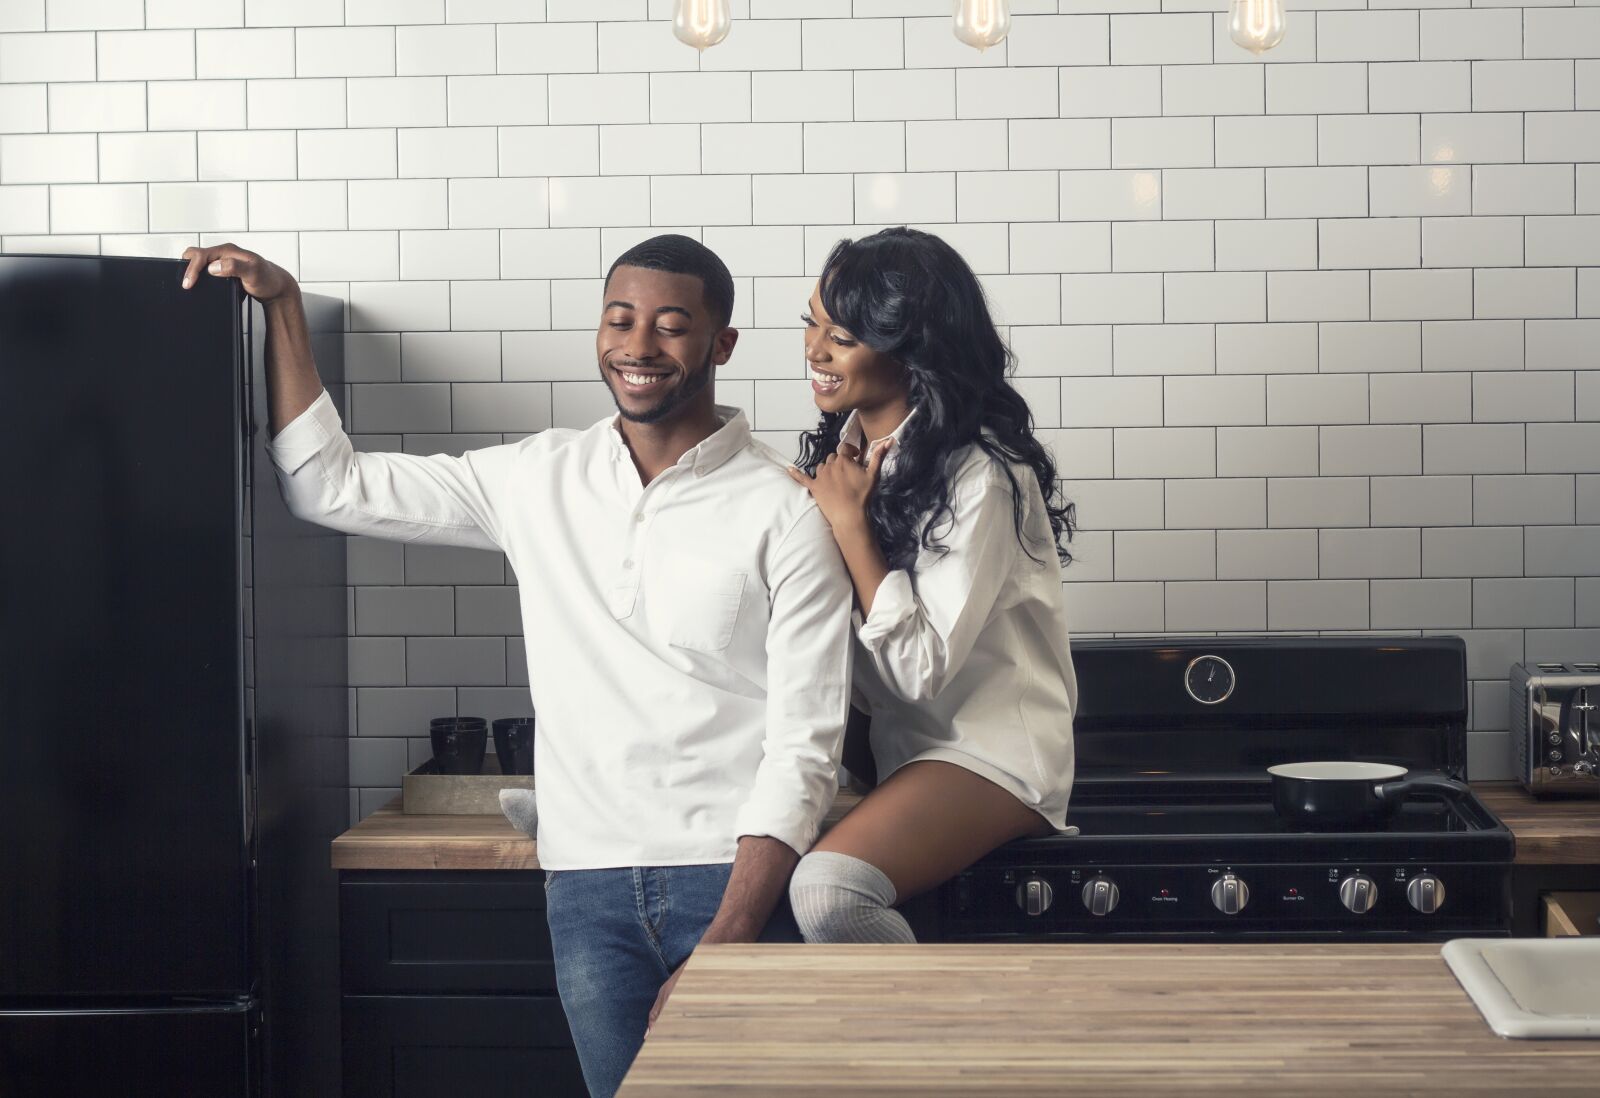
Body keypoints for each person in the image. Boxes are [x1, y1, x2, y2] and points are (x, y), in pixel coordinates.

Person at [181, 235, 852, 1098]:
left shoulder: (786, 510)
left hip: (733, 879)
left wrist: (732, 932)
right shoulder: (539, 477)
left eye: (672, 326)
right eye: (620, 320)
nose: (639, 346)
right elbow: (328, 487)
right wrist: (283, 308)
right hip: (584, 887)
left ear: (720, 345)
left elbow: (805, 747)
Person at [784, 227, 1078, 944]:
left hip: (988, 752)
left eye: (843, 335)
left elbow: (917, 670)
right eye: (812, 325)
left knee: (827, 893)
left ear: (911, 346)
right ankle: (605, 807)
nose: (816, 352)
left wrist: (848, 525)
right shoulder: (844, 455)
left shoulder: (984, 473)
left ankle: (929, 1053)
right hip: (895, 749)